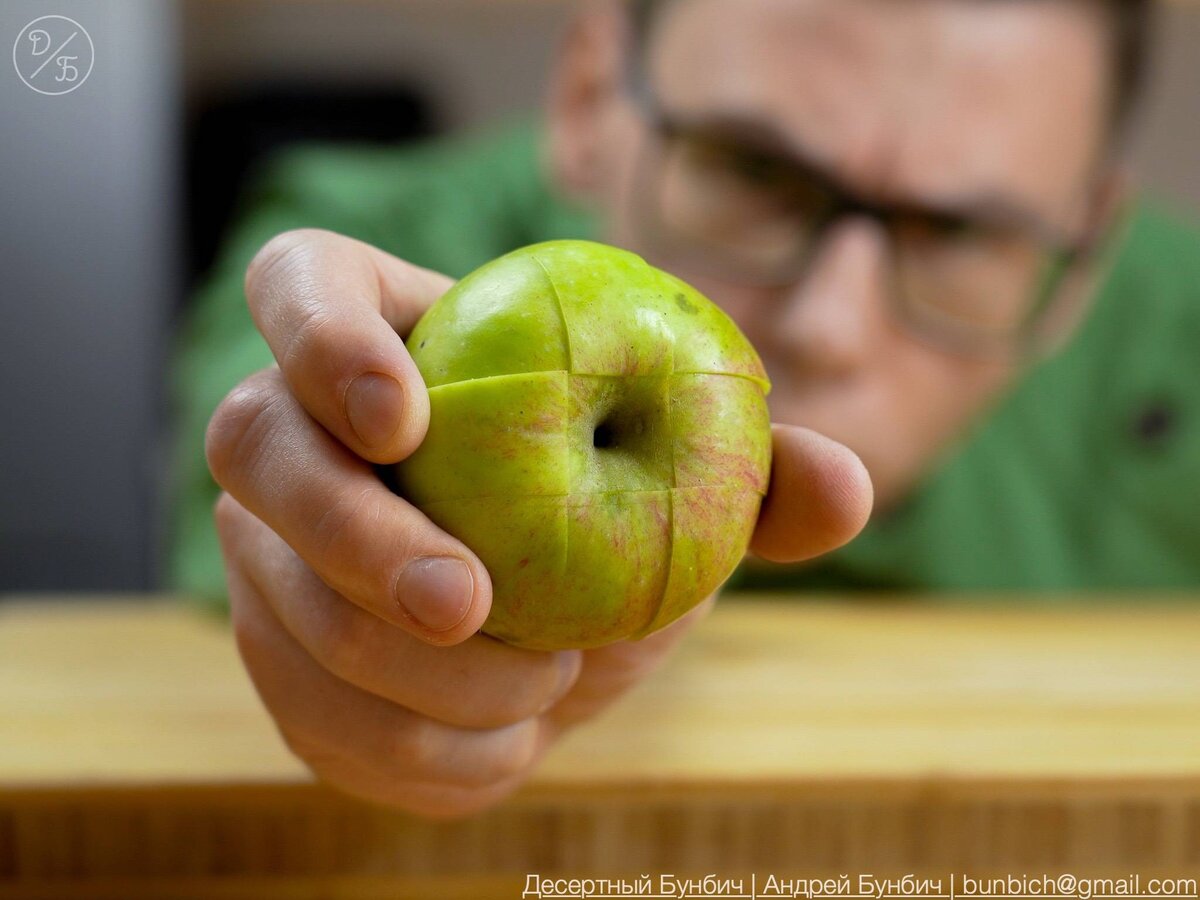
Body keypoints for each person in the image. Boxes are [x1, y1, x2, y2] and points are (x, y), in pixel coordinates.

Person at [169, 0, 1199, 816]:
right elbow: (234, 474)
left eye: (959, 234)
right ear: (585, 101)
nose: (828, 326)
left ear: (1089, 248)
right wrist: (327, 506)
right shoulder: (377, 242)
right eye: (754, 171)